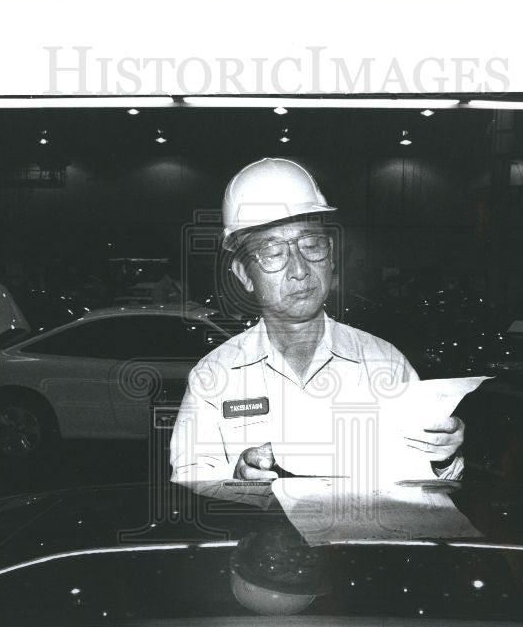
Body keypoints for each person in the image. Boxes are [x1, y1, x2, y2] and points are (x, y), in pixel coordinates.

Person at [169, 158, 464, 494]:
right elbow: (188, 485)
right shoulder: (214, 378)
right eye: (273, 252)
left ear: (331, 254)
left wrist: (440, 458)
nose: (299, 269)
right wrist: (237, 481)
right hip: (257, 544)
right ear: (244, 274)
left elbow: (430, 494)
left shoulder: (385, 364)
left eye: (311, 245)